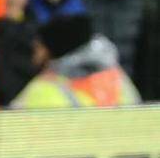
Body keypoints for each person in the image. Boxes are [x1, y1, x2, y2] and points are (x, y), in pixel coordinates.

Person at [12, 14, 140, 109]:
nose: (34, 55)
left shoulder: (43, 90)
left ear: (52, 52)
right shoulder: (119, 80)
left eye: (39, 47)